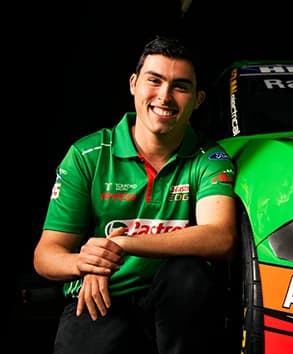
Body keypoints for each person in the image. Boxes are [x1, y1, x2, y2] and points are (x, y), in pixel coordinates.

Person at [33, 35, 237, 354]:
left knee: (190, 273)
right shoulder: (87, 155)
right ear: (133, 84)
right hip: (101, 296)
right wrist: (88, 264)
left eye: (180, 86)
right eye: (154, 81)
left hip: (173, 306)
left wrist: (121, 243)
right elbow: (46, 255)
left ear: (198, 99)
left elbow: (220, 238)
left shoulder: (210, 158)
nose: (165, 96)